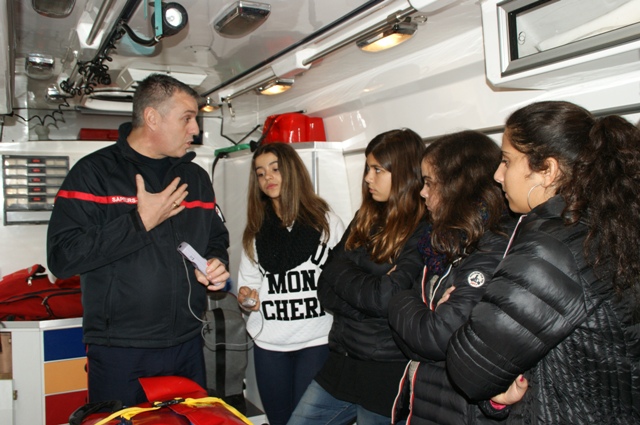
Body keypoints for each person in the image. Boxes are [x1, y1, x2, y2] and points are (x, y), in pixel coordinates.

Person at [447, 100, 640, 424]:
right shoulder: (606, 225)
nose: (497, 175)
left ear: (547, 170)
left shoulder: (551, 248)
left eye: (507, 161)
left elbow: (470, 369)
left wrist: (470, 303)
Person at [47, 74, 230, 407]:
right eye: (187, 118)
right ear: (152, 118)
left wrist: (216, 262)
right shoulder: (93, 174)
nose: (195, 129)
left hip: (187, 342)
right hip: (121, 349)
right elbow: (62, 257)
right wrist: (139, 222)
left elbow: (216, 237)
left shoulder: (196, 177)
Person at [287, 128, 428, 425]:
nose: (367, 178)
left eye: (377, 170)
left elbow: (386, 299)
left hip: (386, 371)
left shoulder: (423, 229)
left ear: (404, 173)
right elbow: (324, 286)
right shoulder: (365, 218)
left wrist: (342, 274)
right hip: (342, 360)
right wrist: (367, 302)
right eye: (367, 168)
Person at [388, 131, 518, 424]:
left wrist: (399, 299)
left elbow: (436, 338)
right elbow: (408, 341)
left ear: (458, 186)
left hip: (458, 411)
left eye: (430, 183)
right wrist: (422, 316)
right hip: (424, 399)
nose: (422, 192)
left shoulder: (492, 247)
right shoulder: (440, 243)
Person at [236, 142, 345, 425]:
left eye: (275, 169)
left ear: (292, 171)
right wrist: (247, 299)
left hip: (316, 340)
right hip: (270, 343)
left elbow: (344, 280)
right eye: (261, 173)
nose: (268, 177)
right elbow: (248, 290)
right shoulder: (255, 231)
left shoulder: (328, 223)